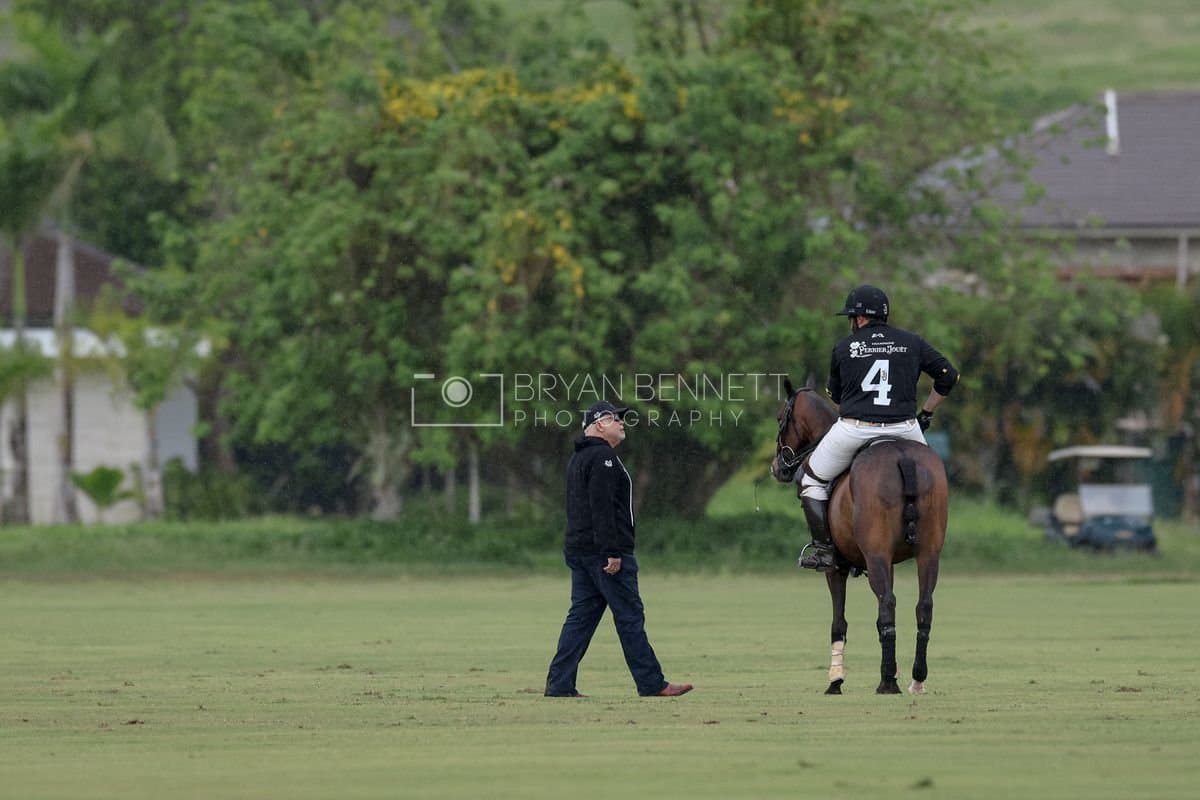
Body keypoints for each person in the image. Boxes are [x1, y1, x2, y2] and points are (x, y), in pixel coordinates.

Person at [798, 285, 959, 572]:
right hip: (905, 428)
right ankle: (931, 537)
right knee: (933, 480)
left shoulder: (844, 347)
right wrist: (926, 412)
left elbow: (835, 397)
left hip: (855, 429)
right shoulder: (912, 342)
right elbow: (949, 376)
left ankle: (823, 550)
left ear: (859, 318)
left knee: (811, 479)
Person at [544, 400, 694, 698]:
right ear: (599, 424)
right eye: (616, 419)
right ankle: (652, 683)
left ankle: (559, 684)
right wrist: (612, 552)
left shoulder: (580, 457)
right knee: (629, 616)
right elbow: (602, 509)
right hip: (604, 554)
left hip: (580, 550)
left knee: (581, 618)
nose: (622, 423)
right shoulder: (603, 457)